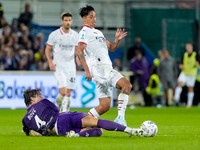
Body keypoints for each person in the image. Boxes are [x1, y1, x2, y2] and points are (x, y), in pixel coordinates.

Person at [76, 5, 131, 126]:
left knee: (105, 105)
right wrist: (87, 70)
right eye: (91, 17)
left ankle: (82, 123)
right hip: (99, 68)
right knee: (126, 85)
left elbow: (111, 48)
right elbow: (79, 50)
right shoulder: (85, 32)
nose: (94, 19)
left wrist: (117, 40)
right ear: (84, 18)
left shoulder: (98, 32)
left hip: (104, 68)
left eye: (95, 16)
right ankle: (120, 119)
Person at [22, 88, 144, 137]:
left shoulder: (25, 120)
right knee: (98, 124)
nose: (41, 96)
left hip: (59, 131)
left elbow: (29, 132)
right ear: (32, 98)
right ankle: (129, 130)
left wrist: (41, 133)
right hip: (63, 118)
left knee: (98, 132)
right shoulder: (43, 102)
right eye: (39, 95)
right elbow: (58, 111)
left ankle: (75, 135)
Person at [45, 12, 79, 112]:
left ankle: (64, 113)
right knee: (63, 92)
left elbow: (77, 49)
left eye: (69, 20)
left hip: (71, 66)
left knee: (68, 93)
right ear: (62, 21)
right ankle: (58, 107)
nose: (68, 22)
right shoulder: (54, 35)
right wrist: (50, 62)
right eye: (66, 20)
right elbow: (47, 49)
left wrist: (77, 58)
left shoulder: (75, 35)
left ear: (71, 21)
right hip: (58, 66)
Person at [174, 43, 199, 108]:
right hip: (184, 72)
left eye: (189, 47)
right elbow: (182, 63)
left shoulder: (195, 55)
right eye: (187, 47)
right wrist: (181, 65)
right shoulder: (184, 55)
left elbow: (198, 63)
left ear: (192, 48)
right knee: (180, 83)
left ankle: (189, 103)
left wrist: (197, 64)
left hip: (191, 74)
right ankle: (176, 98)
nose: (188, 49)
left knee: (190, 88)